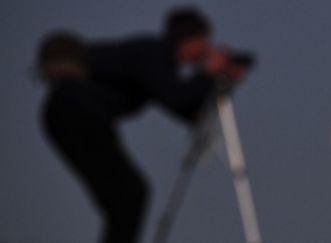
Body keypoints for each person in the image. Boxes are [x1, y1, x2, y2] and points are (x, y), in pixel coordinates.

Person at [37, 6, 247, 243]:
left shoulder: (158, 64)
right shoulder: (154, 54)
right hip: (74, 111)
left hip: (69, 114)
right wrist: (208, 74)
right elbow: (177, 97)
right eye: (204, 41)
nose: (207, 49)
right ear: (190, 39)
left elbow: (187, 110)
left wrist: (218, 82)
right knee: (129, 194)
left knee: (126, 197)